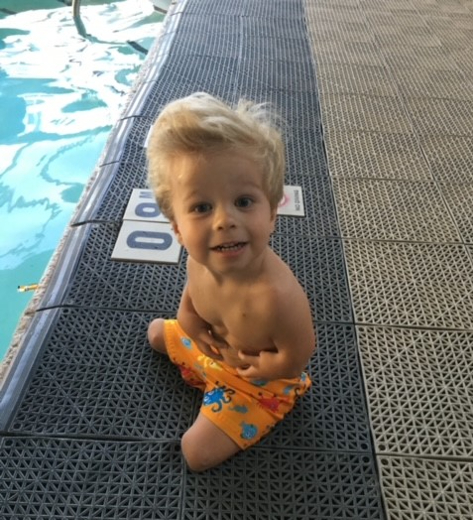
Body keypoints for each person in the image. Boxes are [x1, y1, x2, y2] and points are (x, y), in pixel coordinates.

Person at [146, 92, 315, 472]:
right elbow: (190, 303)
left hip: (257, 383)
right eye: (202, 208)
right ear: (177, 227)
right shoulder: (197, 262)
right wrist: (191, 325)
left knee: (195, 452)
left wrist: (264, 369)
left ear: (272, 212)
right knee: (157, 333)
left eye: (243, 202)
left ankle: (243, 403)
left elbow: (299, 354)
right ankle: (202, 371)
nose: (224, 220)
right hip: (213, 348)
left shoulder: (276, 296)